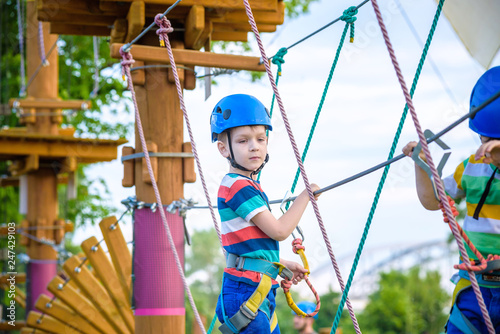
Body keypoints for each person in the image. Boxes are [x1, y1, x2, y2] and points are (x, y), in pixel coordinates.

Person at [212, 94, 321, 334]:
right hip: (245, 292)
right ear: (223, 149)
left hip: (256, 289)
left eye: (260, 139)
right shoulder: (237, 186)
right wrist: (306, 197)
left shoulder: (246, 186)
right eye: (243, 141)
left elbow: (248, 250)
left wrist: (282, 265)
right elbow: (280, 231)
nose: (254, 146)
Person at [402, 66, 500, 333]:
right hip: (474, 287)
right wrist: (420, 165)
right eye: (486, 138)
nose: (489, 145)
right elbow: (433, 201)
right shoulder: (471, 167)